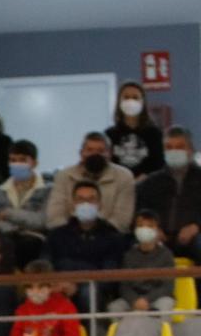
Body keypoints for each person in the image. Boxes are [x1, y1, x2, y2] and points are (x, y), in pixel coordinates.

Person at [134, 126, 201, 260]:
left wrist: (196, 226)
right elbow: (140, 210)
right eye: (169, 147)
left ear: (190, 149)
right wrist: (152, 227)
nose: (174, 151)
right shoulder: (150, 182)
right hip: (158, 236)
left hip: (194, 236)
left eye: (180, 147)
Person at [46, 133, 136, 231]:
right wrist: (72, 236)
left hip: (109, 238)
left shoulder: (124, 177)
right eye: (89, 150)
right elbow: (55, 215)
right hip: (67, 236)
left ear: (109, 154)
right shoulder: (64, 176)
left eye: (100, 151)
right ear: (81, 153)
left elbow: (122, 219)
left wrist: (96, 237)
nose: (95, 154)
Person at [107, 81, 165, 178]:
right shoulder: (110, 134)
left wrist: (143, 178)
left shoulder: (154, 133)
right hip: (119, 187)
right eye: (126, 97)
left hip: (149, 186)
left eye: (135, 97)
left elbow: (159, 164)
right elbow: (108, 165)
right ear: (119, 102)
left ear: (143, 102)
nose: (131, 101)